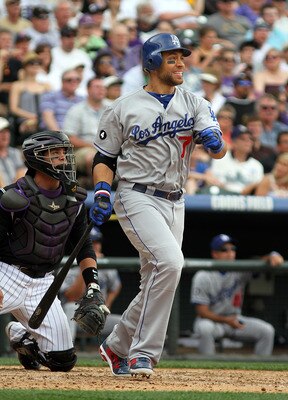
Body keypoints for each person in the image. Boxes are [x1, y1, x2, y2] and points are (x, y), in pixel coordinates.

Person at [89, 32, 227, 377]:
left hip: (176, 199)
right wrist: (103, 191)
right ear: (152, 62)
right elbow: (104, 157)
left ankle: (116, 346)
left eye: (182, 56)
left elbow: (219, 146)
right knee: (170, 263)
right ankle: (144, 353)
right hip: (137, 194)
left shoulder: (195, 102)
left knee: (158, 277)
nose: (181, 63)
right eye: (172, 57)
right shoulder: (122, 107)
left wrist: (213, 139)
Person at [0, 130, 108, 371]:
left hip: (43, 284)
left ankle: (23, 338)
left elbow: (84, 245)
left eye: (64, 152)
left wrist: (92, 285)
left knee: (63, 361)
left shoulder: (75, 199)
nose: (63, 158)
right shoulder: (11, 196)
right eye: (54, 153)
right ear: (36, 159)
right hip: (7, 274)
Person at [191, 233, 284, 356]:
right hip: (212, 321)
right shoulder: (203, 275)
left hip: (235, 320)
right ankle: (208, 370)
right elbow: (202, 311)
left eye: (232, 249)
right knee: (204, 329)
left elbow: (258, 262)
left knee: (267, 331)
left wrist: (273, 255)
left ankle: (258, 372)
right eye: (224, 250)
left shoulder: (239, 270)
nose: (230, 253)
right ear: (214, 254)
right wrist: (226, 320)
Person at [60, 226, 122, 343]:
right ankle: (66, 348)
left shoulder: (107, 265)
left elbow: (116, 286)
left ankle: (119, 355)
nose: (95, 245)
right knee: (70, 307)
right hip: (75, 317)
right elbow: (71, 297)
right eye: (91, 242)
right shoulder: (70, 265)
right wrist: (86, 269)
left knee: (125, 323)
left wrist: (106, 306)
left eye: (97, 241)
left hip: (97, 315)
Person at [0, 117, 26, 186]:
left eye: (6, 131)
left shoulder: (15, 152)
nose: (5, 135)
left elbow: (21, 176)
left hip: (15, 194)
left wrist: (13, 195)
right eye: (1, 132)